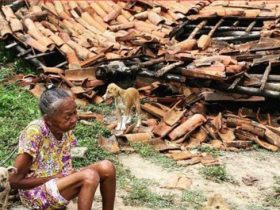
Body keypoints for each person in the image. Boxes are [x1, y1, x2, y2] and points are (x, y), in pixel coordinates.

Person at [9, 88, 116, 210]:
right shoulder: (35, 133)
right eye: (67, 116)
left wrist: (64, 177)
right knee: (89, 176)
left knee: (107, 167)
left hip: (59, 182)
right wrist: (54, 178)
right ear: (48, 119)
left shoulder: (64, 129)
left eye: (75, 112)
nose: (74, 119)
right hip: (35, 194)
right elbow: (13, 181)